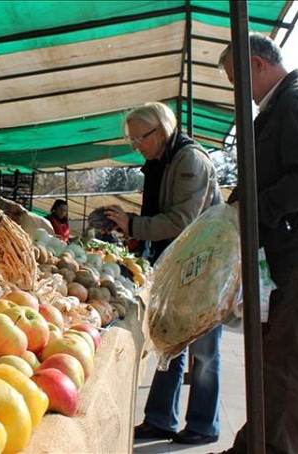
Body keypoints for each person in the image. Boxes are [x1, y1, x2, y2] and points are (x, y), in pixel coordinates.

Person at [218, 33, 298, 453]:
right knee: (273, 357)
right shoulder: (285, 104)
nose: (240, 95)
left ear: (258, 64)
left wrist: (252, 211)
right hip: (290, 250)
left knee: (289, 361)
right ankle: (256, 445)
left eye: (239, 82)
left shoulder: (297, 102)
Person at [104, 101, 223, 445]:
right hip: (177, 265)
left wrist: (135, 224)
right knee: (170, 344)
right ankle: (160, 419)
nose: (136, 146)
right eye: (132, 139)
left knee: (204, 349)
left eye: (140, 137)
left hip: (203, 265)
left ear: (161, 130)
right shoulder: (159, 162)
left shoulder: (190, 161)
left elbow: (183, 221)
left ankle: (203, 425)